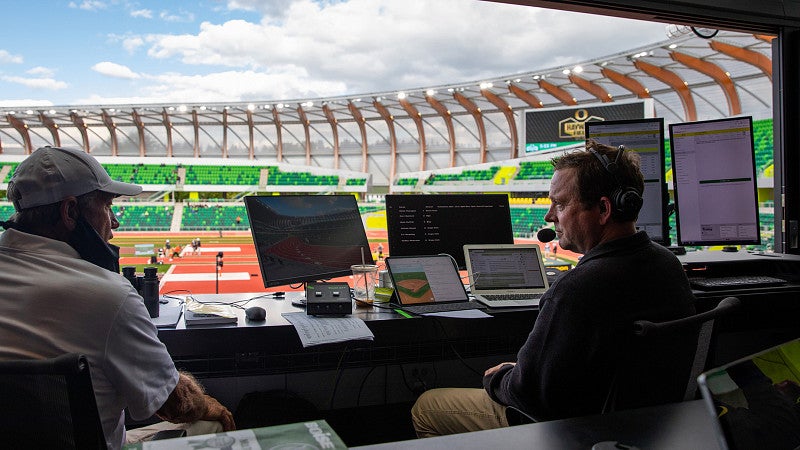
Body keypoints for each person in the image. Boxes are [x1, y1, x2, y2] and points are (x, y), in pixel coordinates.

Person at [411, 140, 696, 437]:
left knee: (427, 406)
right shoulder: (667, 265)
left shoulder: (579, 288)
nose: (549, 216)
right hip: (649, 426)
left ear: (603, 209)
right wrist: (524, 370)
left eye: (560, 203)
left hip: (575, 428)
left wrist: (500, 378)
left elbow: (530, 395)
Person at [0, 147, 235, 449]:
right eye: (107, 207)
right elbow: (175, 404)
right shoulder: (110, 296)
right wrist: (214, 407)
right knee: (213, 421)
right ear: (70, 212)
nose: (115, 222)